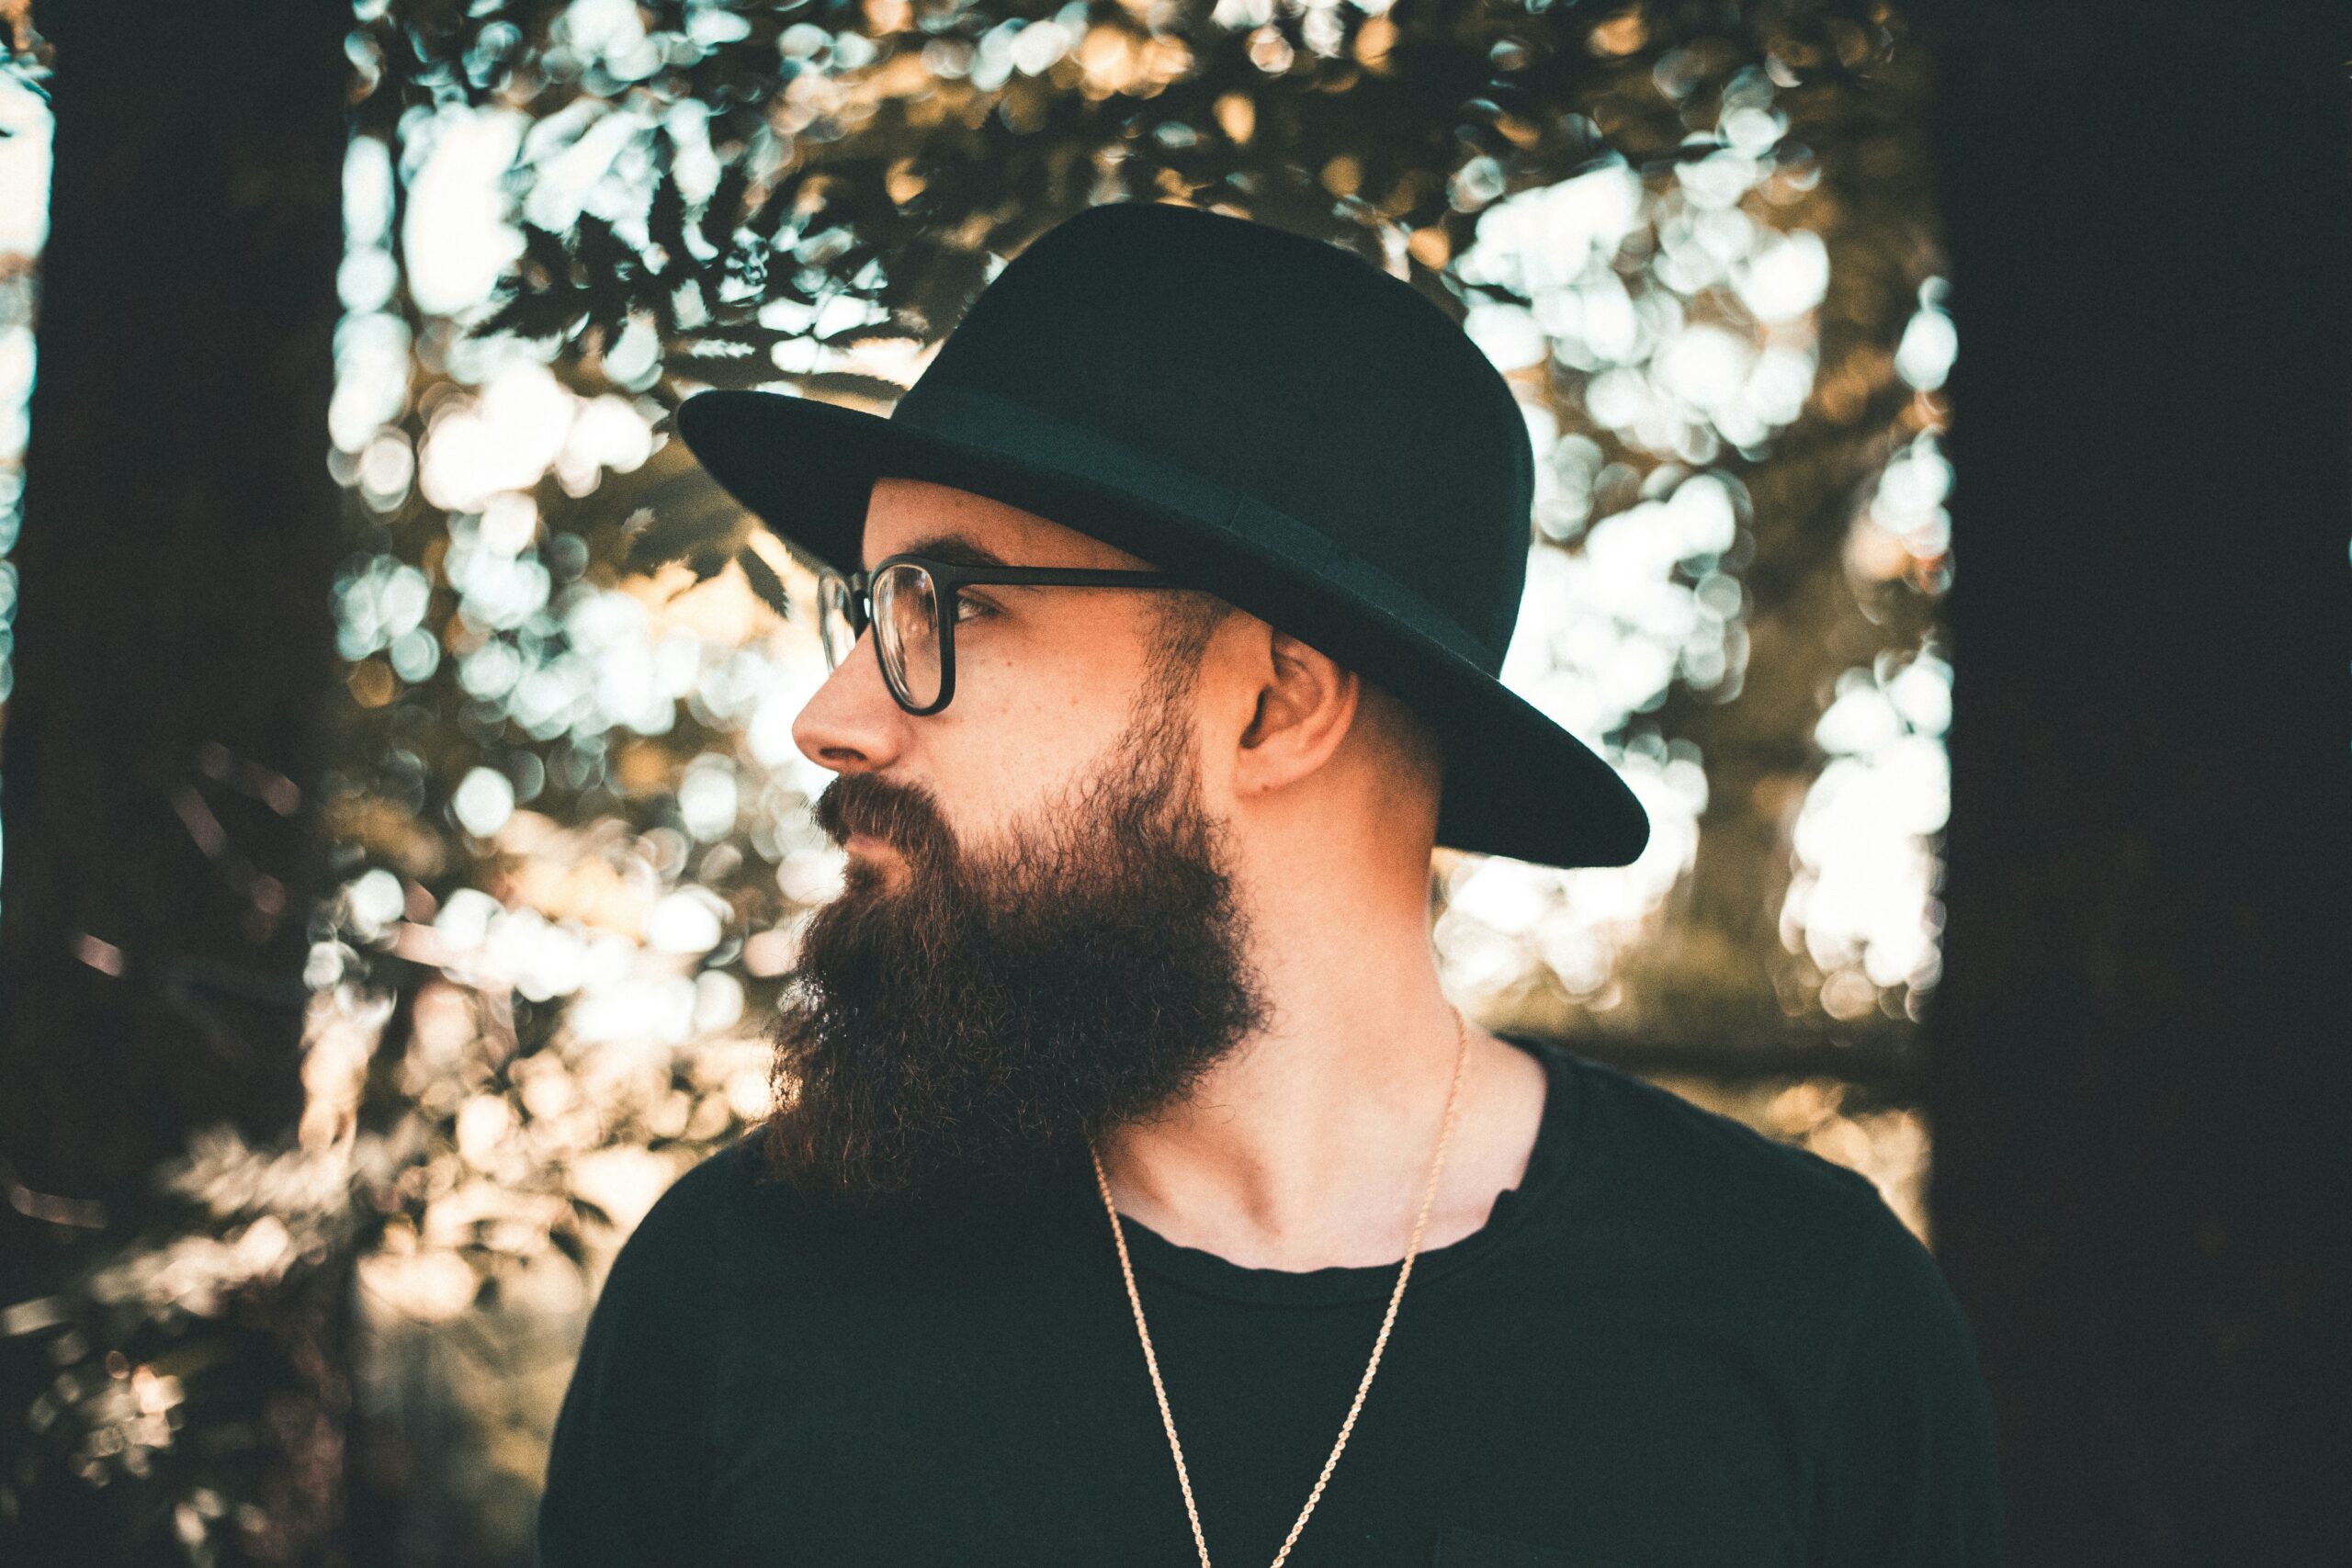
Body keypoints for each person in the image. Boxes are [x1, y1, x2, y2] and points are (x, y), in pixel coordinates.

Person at [536, 201, 2001, 1568]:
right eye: (868, 610)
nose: (832, 716)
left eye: (951, 609)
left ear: (1276, 706)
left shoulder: (1805, 1314)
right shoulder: (738, 1296)